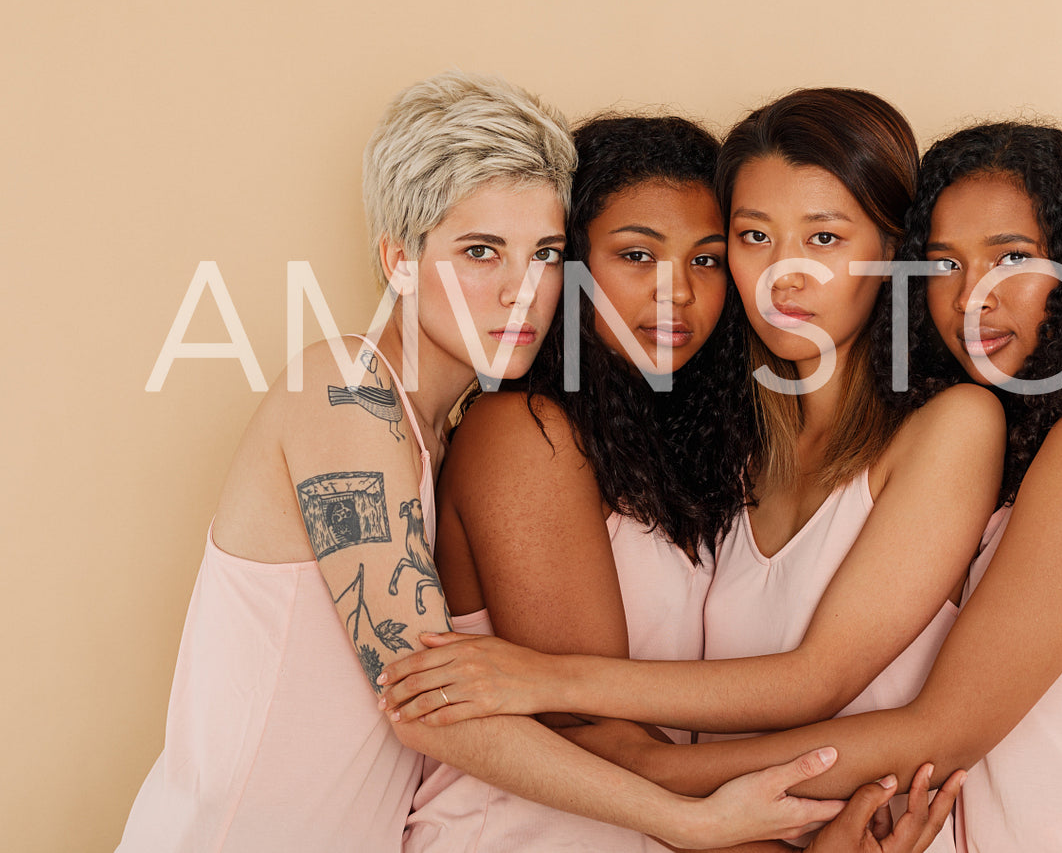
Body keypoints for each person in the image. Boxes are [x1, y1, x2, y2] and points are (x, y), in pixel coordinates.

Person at [381, 120, 1062, 852]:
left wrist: (633, 753)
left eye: (1012, 257)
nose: (972, 296)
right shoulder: (735, 447)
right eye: (944, 265)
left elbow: (929, 726)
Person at [117, 73, 848, 853]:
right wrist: (690, 822)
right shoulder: (344, 390)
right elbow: (429, 705)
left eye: (544, 255)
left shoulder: (433, 433)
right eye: (479, 252)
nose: (519, 292)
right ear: (398, 259)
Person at [383, 89, 1004, 851]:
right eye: (635, 254)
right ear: (570, 264)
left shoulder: (711, 449)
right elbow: (609, 742)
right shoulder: (524, 430)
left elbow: (778, 699)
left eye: (704, 258)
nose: (676, 289)